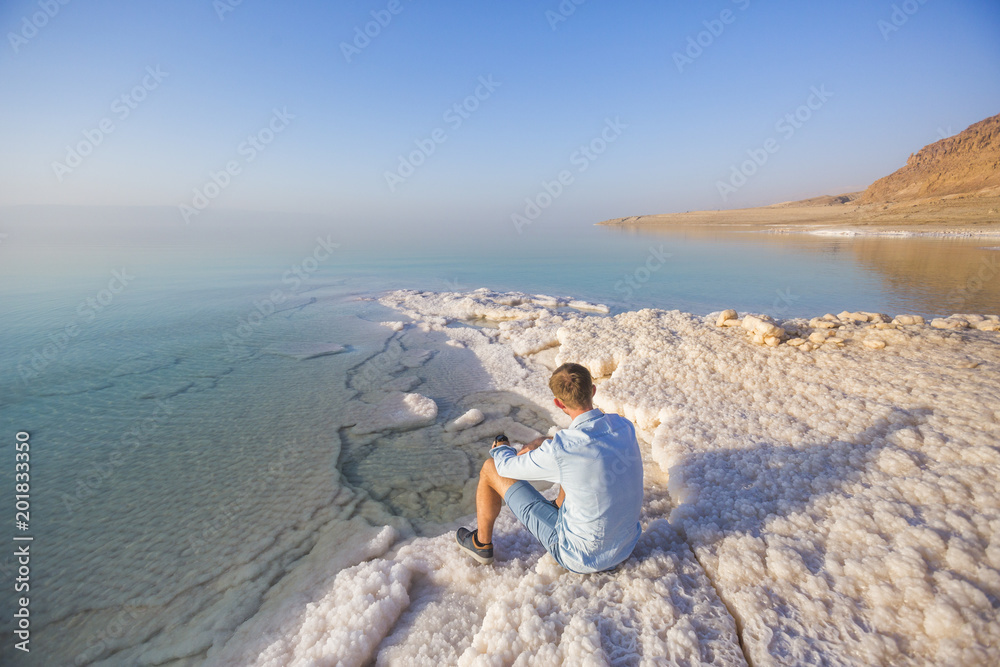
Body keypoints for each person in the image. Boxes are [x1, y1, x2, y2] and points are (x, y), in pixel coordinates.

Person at [456, 362, 644, 573]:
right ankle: (558, 505)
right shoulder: (623, 426)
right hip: (624, 546)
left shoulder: (563, 449)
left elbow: (506, 468)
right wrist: (544, 442)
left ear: (558, 403)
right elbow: (579, 450)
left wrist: (501, 448)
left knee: (490, 468)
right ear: (592, 391)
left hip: (581, 557)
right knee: (579, 468)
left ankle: (481, 544)